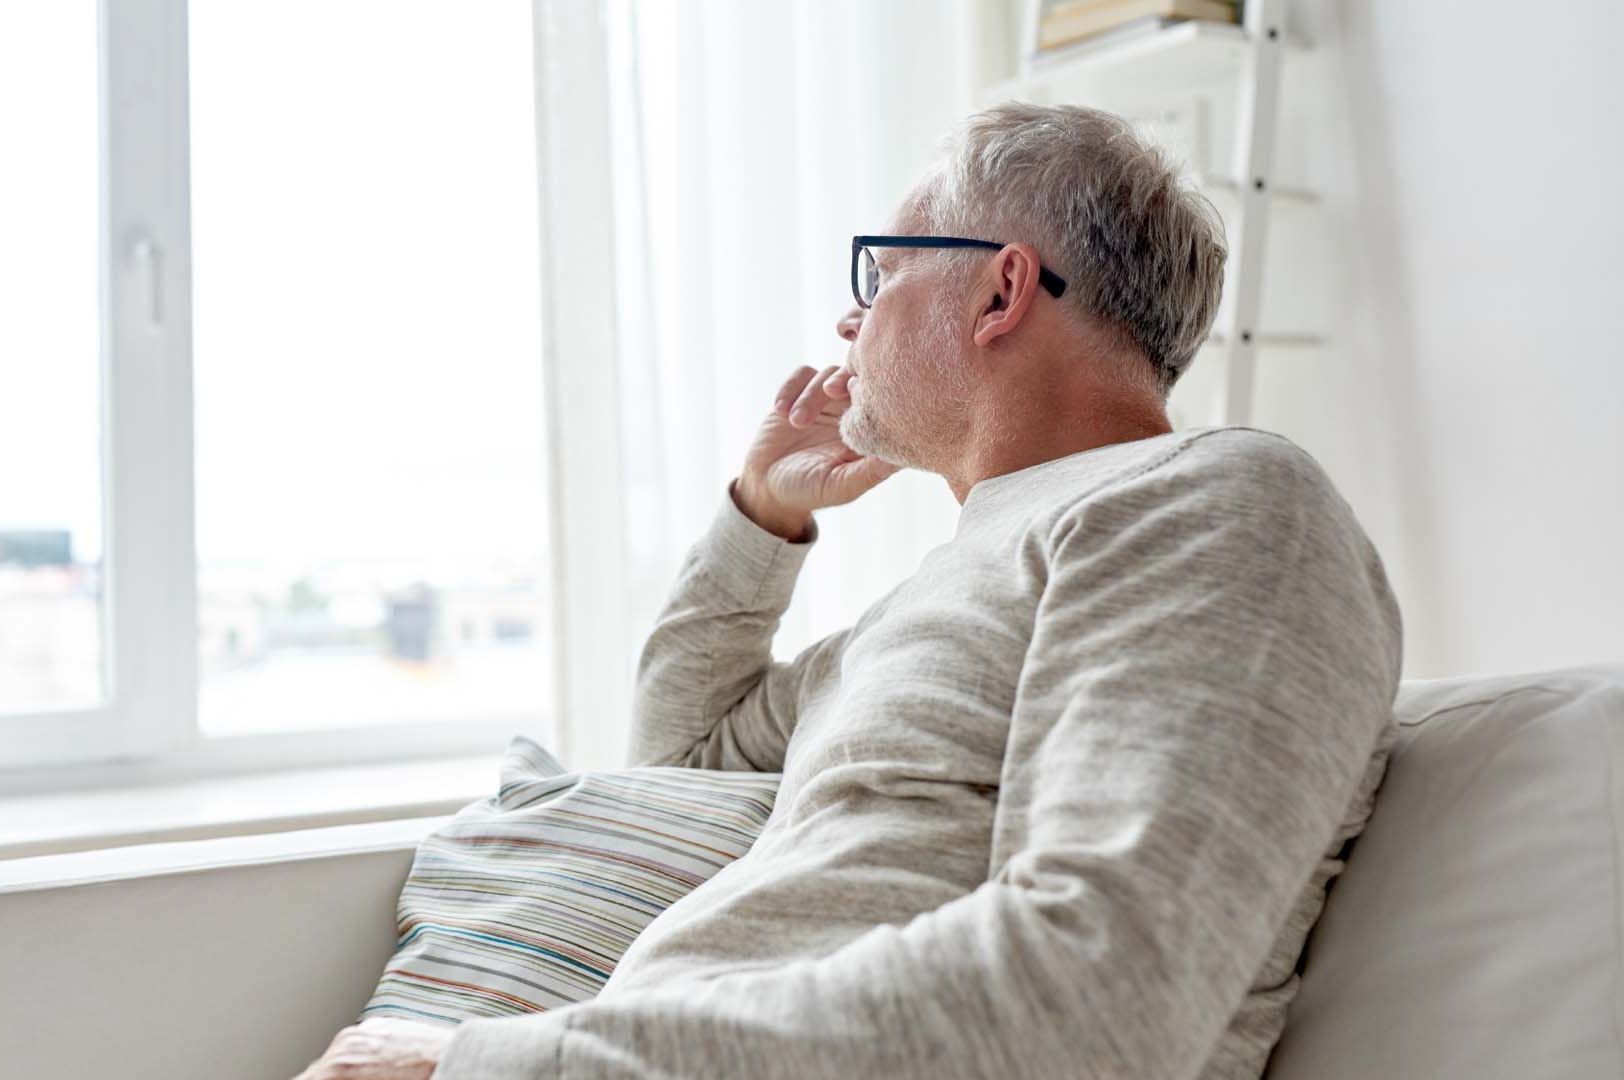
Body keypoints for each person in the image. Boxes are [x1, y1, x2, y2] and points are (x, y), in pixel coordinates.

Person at [296, 102, 1402, 1080]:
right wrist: (761, 511)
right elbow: (681, 760)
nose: (847, 322)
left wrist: (496, 1067)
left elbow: (1103, 989)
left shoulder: (1214, 504)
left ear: (999, 289)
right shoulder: (944, 596)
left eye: (878, 272)